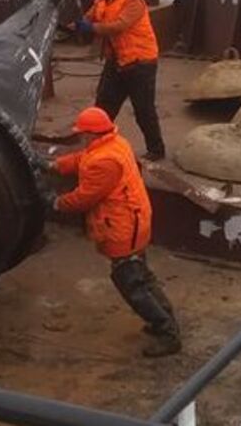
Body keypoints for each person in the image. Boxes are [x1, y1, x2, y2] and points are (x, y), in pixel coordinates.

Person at [48, 106, 182, 357]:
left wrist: (56, 203)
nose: (80, 138)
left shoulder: (104, 161)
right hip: (133, 221)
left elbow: (85, 197)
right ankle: (164, 319)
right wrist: (56, 165)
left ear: (92, 134)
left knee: (130, 282)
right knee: (141, 275)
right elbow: (81, 159)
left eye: (82, 134)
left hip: (122, 228)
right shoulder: (114, 143)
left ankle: (167, 333)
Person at [75, 0, 165, 161]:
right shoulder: (102, 0)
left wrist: (91, 28)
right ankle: (99, 142)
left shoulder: (134, 2)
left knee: (143, 109)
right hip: (116, 61)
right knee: (103, 105)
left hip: (140, 63)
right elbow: (88, 17)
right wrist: (75, 24)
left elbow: (119, 26)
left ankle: (156, 150)